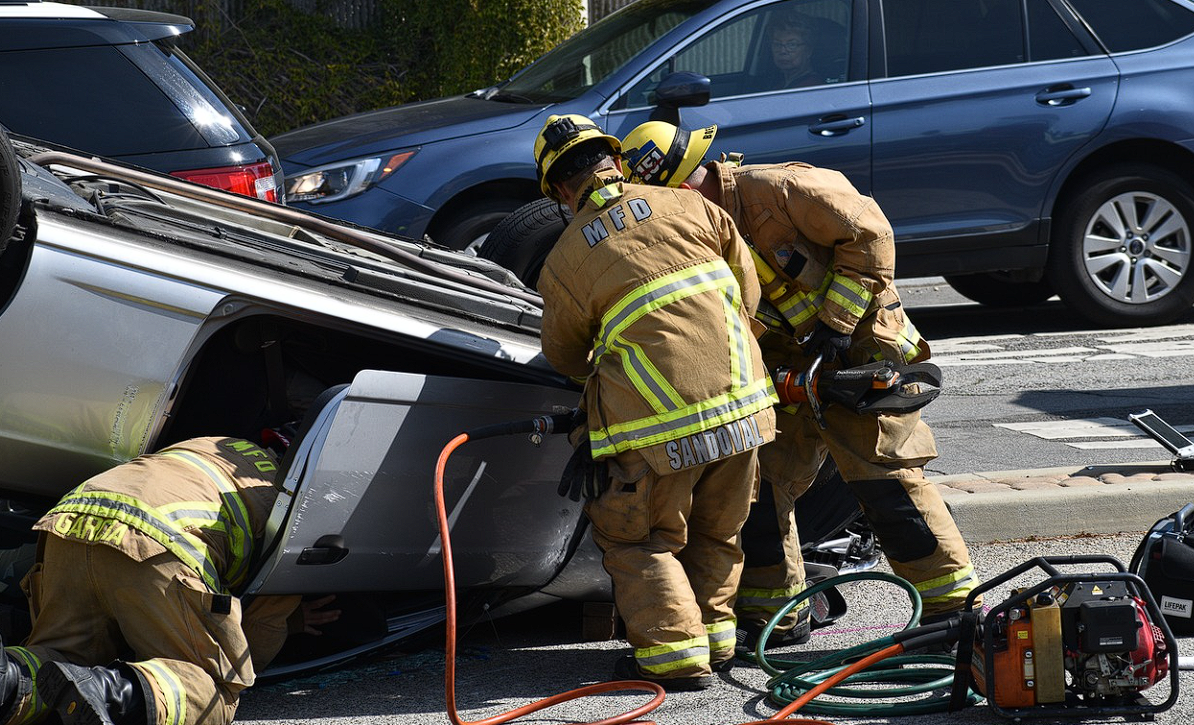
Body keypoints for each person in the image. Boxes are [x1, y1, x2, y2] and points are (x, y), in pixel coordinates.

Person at [619, 121, 980, 649]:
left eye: (683, 188)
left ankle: (951, 610)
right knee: (760, 483)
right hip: (792, 368)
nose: (680, 203)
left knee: (883, 478)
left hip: (858, 347)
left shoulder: (780, 190)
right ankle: (778, 616)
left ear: (698, 173)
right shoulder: (694, 231)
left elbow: (871, 234)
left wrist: (835, 327)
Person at [533, 114, 778, 691]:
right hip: (746, 408)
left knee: (638, 538)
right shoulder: (690, 205)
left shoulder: (565, 259)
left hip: (656, 430)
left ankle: (674, 658)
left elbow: (566, 356)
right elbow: (750, 292)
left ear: (562, 192)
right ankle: (718, 643)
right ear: (614, 162)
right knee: (719, 531)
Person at [0, 436, 339, 725]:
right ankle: (112, 692)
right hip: (153, 543)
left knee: (63, 659)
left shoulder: (223, 446)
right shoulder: (293, 502)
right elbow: (253, 644)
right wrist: (286, 621)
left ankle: (7, 681)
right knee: (214, 690)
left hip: (69, 524)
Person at [763, 11, 821, 89]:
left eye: (792, 45)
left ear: (808, 51)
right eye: (777, 44)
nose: (782, 51)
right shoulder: (779, 86)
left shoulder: (811, 87)